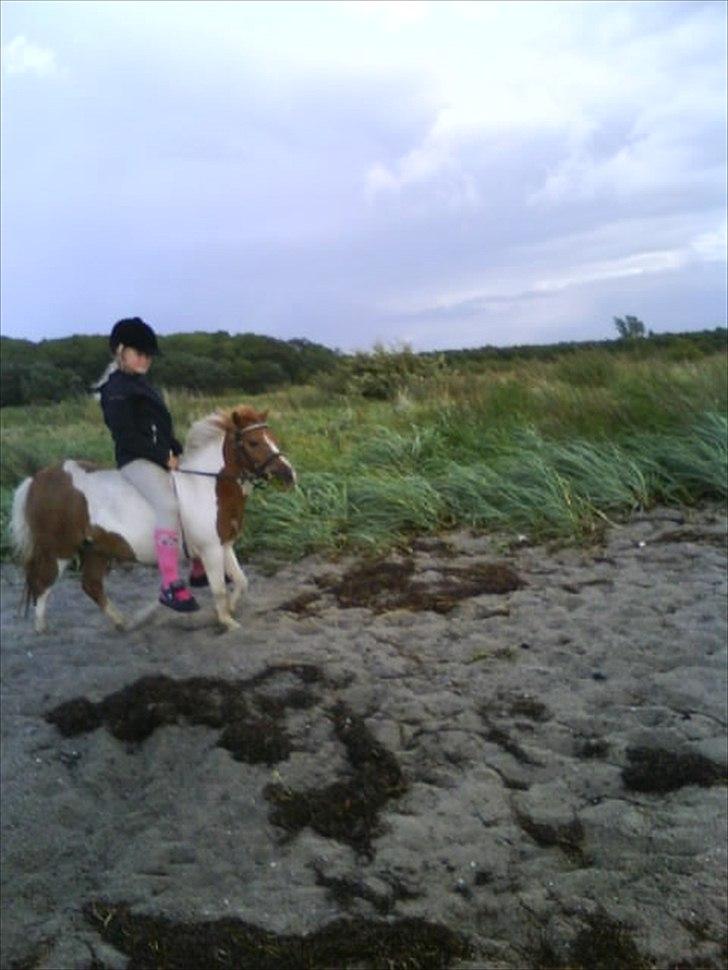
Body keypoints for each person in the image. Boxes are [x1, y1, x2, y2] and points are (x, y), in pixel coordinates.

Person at [96, 317, 200, 612]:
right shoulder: (115, 389)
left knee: (193, 494)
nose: (145, 359)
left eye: (148, 355)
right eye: (138, 353)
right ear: (120, 352)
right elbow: (127, 436)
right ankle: (169, 584)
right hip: (135, 460)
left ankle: (197, 564)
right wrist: (161, 457)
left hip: (156, 454)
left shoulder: (140, 383)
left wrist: (177, 449)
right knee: (168, 506)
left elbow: (159, 425)